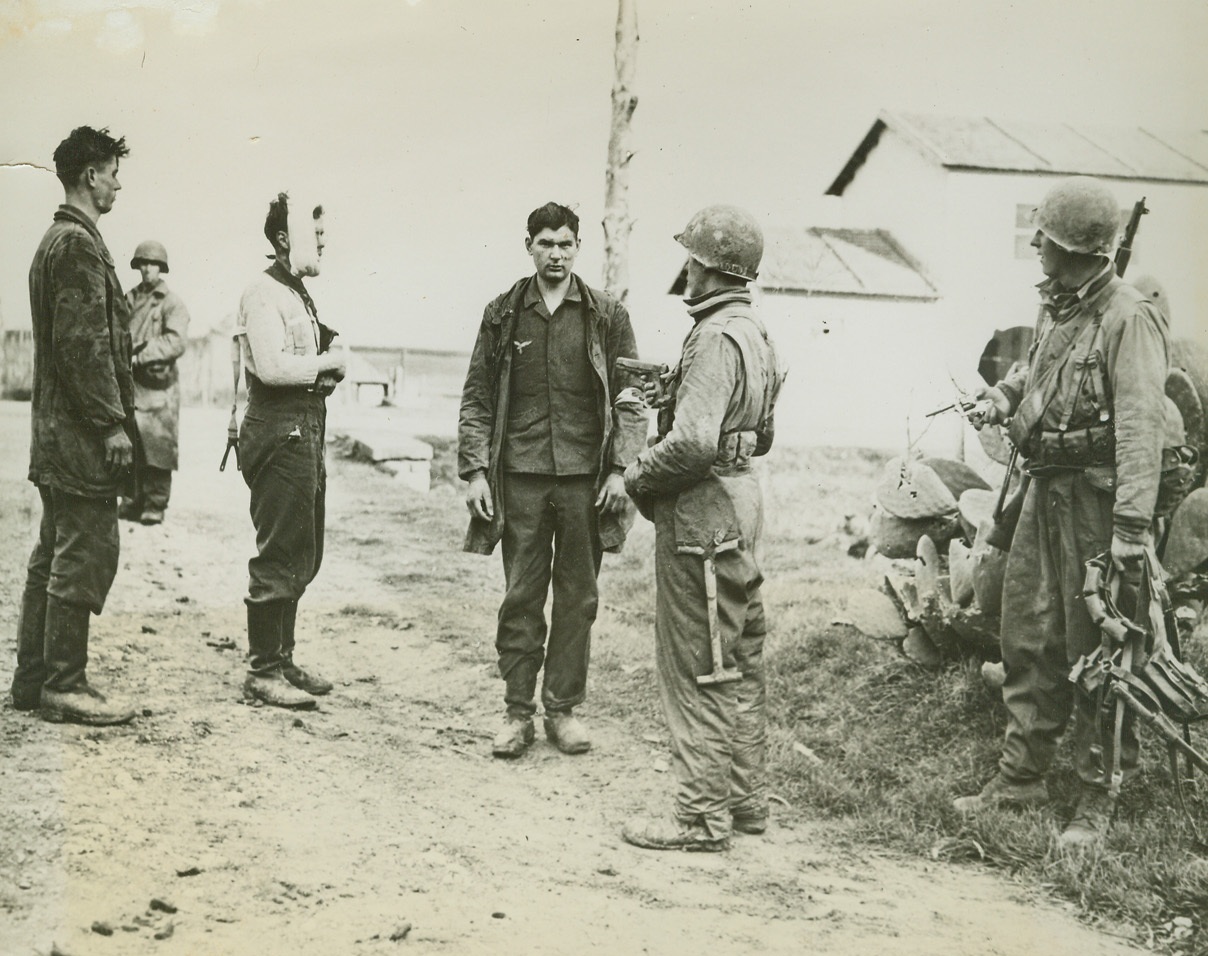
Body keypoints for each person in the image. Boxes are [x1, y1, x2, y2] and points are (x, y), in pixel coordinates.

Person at [955, 176, 1170, 850]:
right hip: (1043, 494)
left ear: (1071, 247)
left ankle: (1097, 798)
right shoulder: (1063, 306)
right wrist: (999, 398)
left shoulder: (1128, 317)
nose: (1035, 246)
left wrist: (1131, 531)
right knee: (1027, 636)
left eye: (1043, 237)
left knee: (1102, 651)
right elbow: (1035, 374)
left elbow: (1141, 431)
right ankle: (1021, 778)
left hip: (1097, 508)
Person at [621, 205, 783, 851]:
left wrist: (636, 477)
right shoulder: (755, 332)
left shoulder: (714, 336)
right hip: (740, 504)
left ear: (710, 266)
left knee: (699, 667)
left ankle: (698, 818)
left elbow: (690, 446)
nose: (683, 268)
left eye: (691, 257)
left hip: (702, 513)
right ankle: (744, 805)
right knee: (737, 659)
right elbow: (761, 435)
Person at [458, 201, 646, 758]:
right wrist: (474, 471)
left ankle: (562, 710)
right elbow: (477, 396)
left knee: (578, 596)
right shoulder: (502, 314)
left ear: (578, 247)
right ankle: (517, 713)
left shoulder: (606, 315)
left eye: (566, 243)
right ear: (529, 247)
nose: (556, 253)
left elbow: (632, 399)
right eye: (546, 243)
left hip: (587, 482)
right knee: (521, 594)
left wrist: (620, 468)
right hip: (520, 477)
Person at [9, 126, 138, 725]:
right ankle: (65, 682)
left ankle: (34, 681)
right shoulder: (79, 246)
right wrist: (113, 426)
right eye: (113, 171)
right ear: (91, 175)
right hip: (81, 437)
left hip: (57, 433)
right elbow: (83, 347)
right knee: (84, 549)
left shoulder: (54, 240)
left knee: (53, 551)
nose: (117, 182)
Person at [234, 193, 346, 710]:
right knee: (279, 549)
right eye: (314, 236)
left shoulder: (297, 292)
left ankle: (282, 659)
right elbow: (274, 368)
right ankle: (262, 671)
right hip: (278, 434)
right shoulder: (262, 292)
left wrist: (330, 357)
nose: (322, 244)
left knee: (304, 550)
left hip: (304, 431)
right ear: (284, 240)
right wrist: (328, 364)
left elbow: (309, 355)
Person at [120, 240, 190, 525]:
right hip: (132, 383)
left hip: (158, 385)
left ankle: (156, 503)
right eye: (143, 264)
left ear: (162, 268)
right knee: (132, 443)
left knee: (158, 445)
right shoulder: (130, 299)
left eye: (153, 264)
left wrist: (141, 355)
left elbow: (175, 342)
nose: (147, 270)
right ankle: (133, 499)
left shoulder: (172, 303)